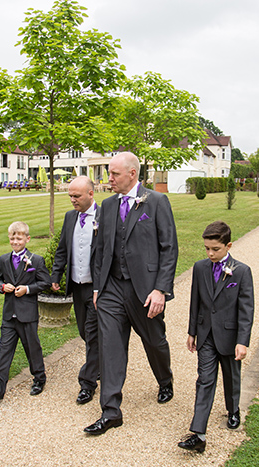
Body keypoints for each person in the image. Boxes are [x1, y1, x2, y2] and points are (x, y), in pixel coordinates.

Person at [84, 152, 178, 435]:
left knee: (154, 340)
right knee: (110, 347)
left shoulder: (157, 202)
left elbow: (169, 249)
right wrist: (99, 287)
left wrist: (161, 289)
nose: (108, 179)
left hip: (145, 290)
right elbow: (100, 249)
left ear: (132, 174)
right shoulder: (108, 205)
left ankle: (165, 380)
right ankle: (111, 411)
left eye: (113, 174)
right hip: (112, 289)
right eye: (108, 173)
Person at [178, 221, 254, 453]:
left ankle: (233, 410)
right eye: (207, 249)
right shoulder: (200, 268)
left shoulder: (241, 271)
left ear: (228, 245)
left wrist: (243, 341)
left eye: (215, 249)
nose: (210, 253)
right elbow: (196, 302)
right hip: (206, 335)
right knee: (204, 380)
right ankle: (198, 434)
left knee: (231, 378)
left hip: (230, 337)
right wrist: (192, 332)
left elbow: (246, 310)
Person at [0, 221, 52, 400]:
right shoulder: (4, 260)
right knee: (4, 350)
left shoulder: (36, 260)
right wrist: (3, 287)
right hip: (9, 314)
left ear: (27, 239)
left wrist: (27, 289)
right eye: (12, 238)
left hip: (27, 314)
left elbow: (45, 283)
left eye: (19, 238)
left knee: (32, 348)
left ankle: (39, 378)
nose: (15, 241)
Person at [51, 176, 100, 405]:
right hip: (76, 286)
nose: (72, 200)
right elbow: (62, 249)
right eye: (70, 195)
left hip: (97, 289)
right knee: (84, 332)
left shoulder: (104, 217)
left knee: (92, 334)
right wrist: (55, 276)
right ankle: (99, 364)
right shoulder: (70, 217)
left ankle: (87, 383)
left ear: (91, 194)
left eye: (76, 196)